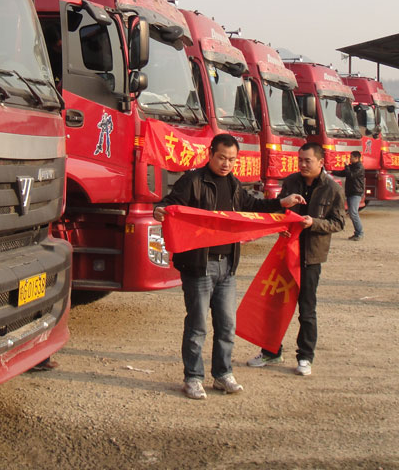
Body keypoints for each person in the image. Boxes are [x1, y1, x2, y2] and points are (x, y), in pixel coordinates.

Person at [153, 134, 306, 400]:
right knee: (197, 326)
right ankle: (193, 378)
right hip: (199, 267)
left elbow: (253, 207)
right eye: (222, 158)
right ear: (210, 154)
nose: (226, 164)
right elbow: (169, 204)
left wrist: (281, 204)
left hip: (227, 267)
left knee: (226, 326)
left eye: (232, 160)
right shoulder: (193, 181)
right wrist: (161, 210)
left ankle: (222, 374)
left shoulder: (234, 184)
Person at [247, 142, 345, 376]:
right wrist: (281, 225)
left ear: (320, 162)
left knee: (307, 309)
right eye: (300, 160)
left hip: (311, 256)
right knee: (275, 305)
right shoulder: (291, 182)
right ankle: (271, 351)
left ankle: (305, 357)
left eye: (307, 160)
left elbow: (338, 223)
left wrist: (314, 223)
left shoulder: (332, 189)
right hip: (286, 252)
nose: (302, 164)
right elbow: (281, 210)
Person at [333, 151, 366, 240]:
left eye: (351, 157)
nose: (350, 159)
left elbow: (350, 175)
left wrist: (347, 166)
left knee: (353, 213)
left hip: (356, 193)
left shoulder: (359, 167)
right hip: (351, 192)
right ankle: (357, 233)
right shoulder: (352, 166)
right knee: (352, 213)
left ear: (356, 158)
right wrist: (332, 172)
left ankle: (360, 233)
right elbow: (343, 173)